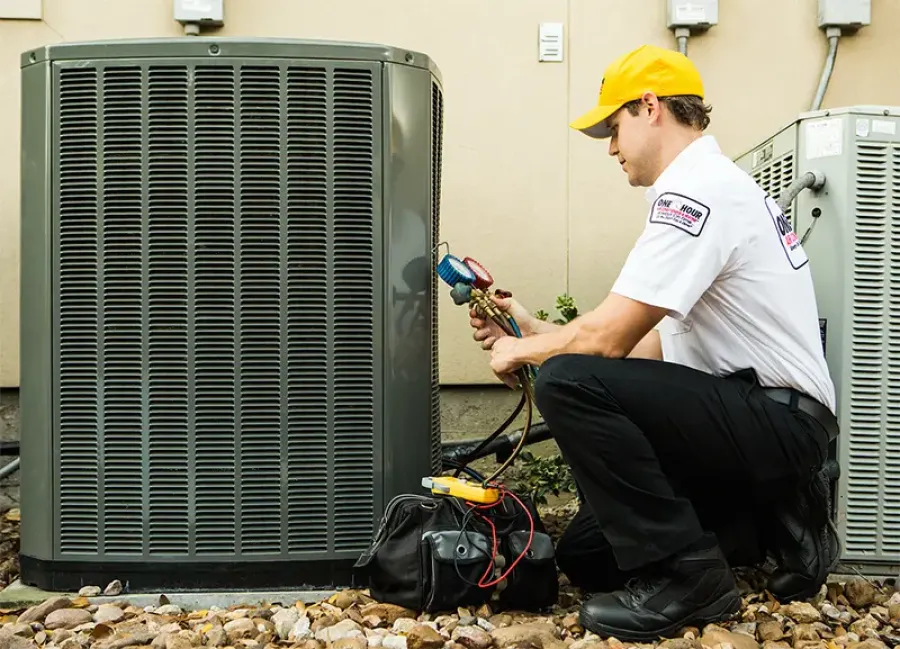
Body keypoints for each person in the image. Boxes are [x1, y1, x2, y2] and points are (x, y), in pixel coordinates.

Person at [469, 44, 840, 641]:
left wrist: (527, 355)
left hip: (777, 423)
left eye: (613, 129)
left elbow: (607, 342)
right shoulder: (716, 188)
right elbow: (651, 351)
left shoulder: (697, 194)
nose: (612, 148)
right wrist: (534, 331)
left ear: (650, 107)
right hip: (753, 423)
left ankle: (693, 584)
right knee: (589, 554)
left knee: (568, 381)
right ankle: (771, 525)